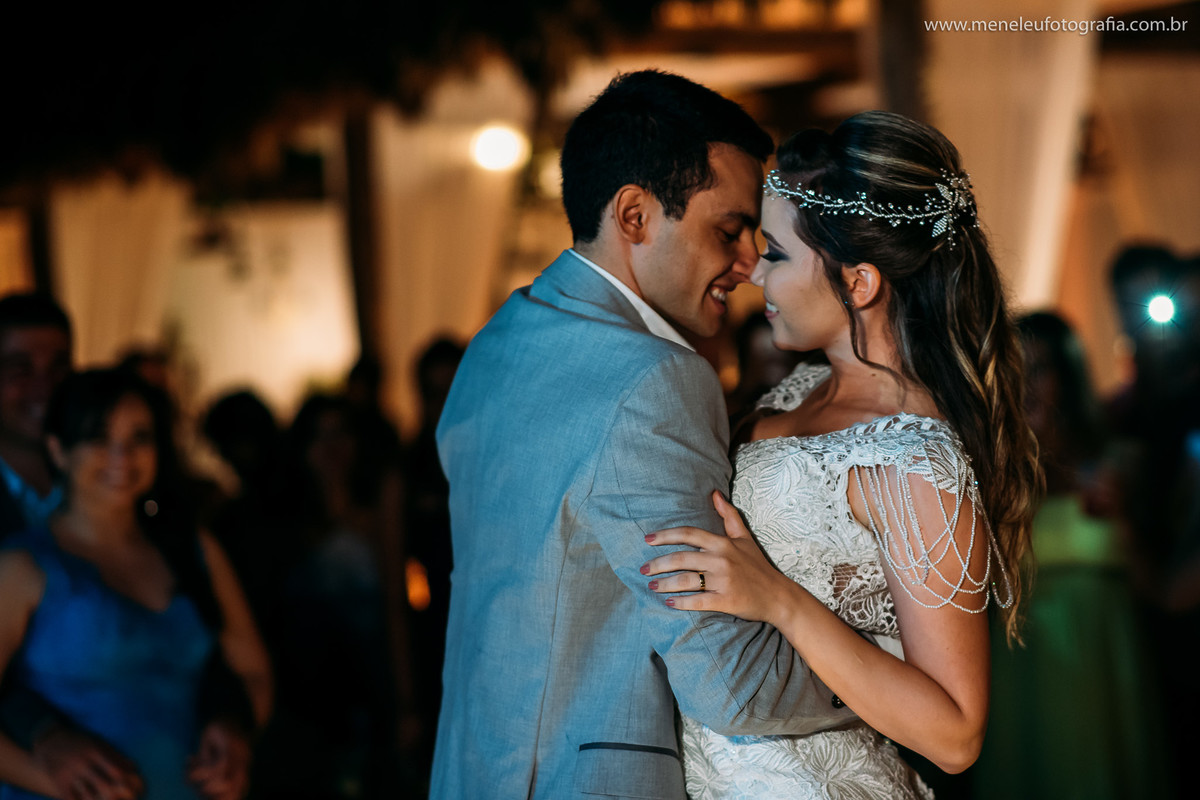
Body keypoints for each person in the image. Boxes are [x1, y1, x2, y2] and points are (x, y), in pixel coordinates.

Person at [432, 70, 858, 800]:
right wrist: (881, 670)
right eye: (728, 229)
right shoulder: (652, 378)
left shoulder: (497, 342)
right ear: (634, 215)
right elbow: (732, 684)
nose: (751, 261)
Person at [643, 111, 1041, 798]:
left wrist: (781, 602)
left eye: (774, 254)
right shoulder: (798, 392)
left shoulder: (913, 457)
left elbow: (954, 734)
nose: (750, 272)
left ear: (859, 284)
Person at [0, 368, 272, 799]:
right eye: (97, 438)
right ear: (58, 450)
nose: (121, 457)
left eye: (139, 438)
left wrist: (234, 731)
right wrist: (51, 773)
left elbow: (253, 669)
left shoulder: (193, 550)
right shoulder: (23, 565)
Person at [967, 311, 1169, 799]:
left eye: (1038, 370)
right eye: (1014, 371)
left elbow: (1157, 589)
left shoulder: (1116, 461)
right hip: (1021, 669)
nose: (1027, 386)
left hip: (1105, 664)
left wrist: (1121, 516)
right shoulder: (989, 475)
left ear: (1067, 374)